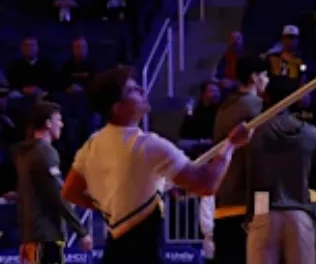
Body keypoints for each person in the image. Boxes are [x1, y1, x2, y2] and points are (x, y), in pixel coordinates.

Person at [62, 68, 250, 264]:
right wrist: (230, 146)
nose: (142, 91)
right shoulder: (147, 145)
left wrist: (110, 206)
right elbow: (207, 184)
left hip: (114, 251)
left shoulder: (93, 143)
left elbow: (70, 192)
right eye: (132, 90)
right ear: (117, 108)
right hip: (144, 252)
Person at [244, 89, 316, 262]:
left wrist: (254, 214)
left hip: (265, 212)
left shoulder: (255, 133)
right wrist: (309, 204)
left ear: (266, 99)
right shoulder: (312, 134)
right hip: (300, 213)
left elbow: (252, 178)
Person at [14, 101, 89, 265]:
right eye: (58, 119)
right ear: (48, 123)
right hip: (46, 237)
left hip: (31, 236)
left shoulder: (24, 153)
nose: (61, 124)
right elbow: (59, 196)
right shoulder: (45, 152)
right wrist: (81, 231)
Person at [212, 59, 267, 262]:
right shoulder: (258, 107)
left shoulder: (224, 108)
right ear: (254, 77)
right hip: (249, 202)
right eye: (265, 75)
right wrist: (264, 208)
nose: (267, 80)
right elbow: (261, 157)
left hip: (223, 198)